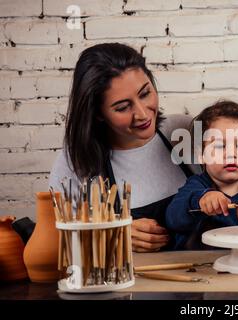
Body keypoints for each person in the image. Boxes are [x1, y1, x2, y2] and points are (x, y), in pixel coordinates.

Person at [49, 43, 199, 252]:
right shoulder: (76, 161)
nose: (143, 114)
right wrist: (114, 236)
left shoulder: (185, 131)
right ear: (98, 113)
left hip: (204, 276)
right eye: (122, 107)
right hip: (130, 283)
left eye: (145, 93)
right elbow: (56, 242)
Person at [165, 100, 238, 250]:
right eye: (220, 146)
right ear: (201, 155)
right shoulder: (196, 186)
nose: (231, 154)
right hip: (198, 266)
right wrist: (201, 199)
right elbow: (173, 218)